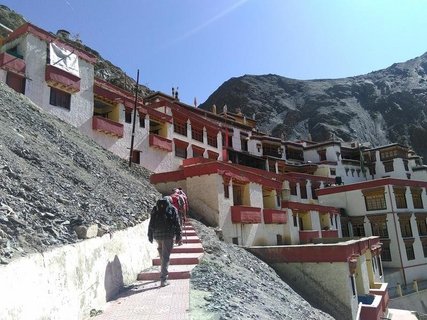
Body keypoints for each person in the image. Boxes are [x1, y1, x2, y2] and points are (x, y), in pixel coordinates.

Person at [148, 196, 182, 287]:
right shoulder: (173, 209)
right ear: (170, 201)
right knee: (165, 256)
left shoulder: (156, 209)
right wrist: (179, 235)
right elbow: (177, 222)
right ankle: (163, 279)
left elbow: (151, 222)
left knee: (162, 256)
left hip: (157, 236)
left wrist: (150, 235)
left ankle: (163, 272)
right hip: (168, 236)